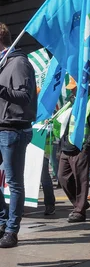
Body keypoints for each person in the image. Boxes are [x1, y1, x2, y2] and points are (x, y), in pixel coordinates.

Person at [0, 23, 37, 248]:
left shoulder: (19, 62)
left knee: (14, 182)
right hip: (0, 127)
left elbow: (25, 96)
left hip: (13, 129)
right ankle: (3, 221)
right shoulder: (2, 63)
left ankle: (12, 230)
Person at [57, 82, 90, 223]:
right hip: (67, 147)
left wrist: (87, 145)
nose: (71, 91)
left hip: (81, 148)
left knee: (81, 180)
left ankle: (80, 211)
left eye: (73, 88)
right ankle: (80, 203)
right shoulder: (71, 102)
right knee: (62, 177)